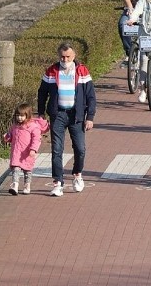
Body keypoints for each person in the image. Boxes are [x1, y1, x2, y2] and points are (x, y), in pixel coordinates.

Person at [37, 42, 97, 197]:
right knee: (57, 150)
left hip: (76, 116)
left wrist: (89, 117)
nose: (65, 59)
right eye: (62, 57)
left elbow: (91, 96)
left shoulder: (82, 71)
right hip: (58, 115)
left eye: (68, 57)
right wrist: (41, 112)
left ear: (74, 56)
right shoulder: (51, 71)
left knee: (80, 149)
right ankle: (58, 182)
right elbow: (42, 92)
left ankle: (77, 174)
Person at [2, 103, 49, 195]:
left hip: (27, 152)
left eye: (22, 116)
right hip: (16, 151)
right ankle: (15, 185)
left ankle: (27, 185)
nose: (19, 118)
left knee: (27, 170)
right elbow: (11, 137)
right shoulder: (15, 126)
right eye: (17, 115)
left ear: (28, 115)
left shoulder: (33, 127)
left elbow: (36, 139)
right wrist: (7, 137)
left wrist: (33, 149)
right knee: (15, 168)